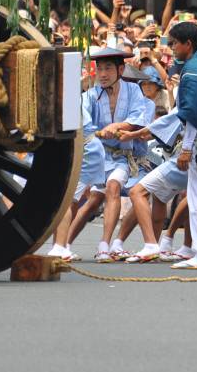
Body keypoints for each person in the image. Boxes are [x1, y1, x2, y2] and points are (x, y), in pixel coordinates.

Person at [121, 22, 197, 269]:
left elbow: (192, 113)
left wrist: (186, 148)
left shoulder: (192, 70)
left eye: (173, 43)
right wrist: (147, 131)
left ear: (187, 44)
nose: (171, 48)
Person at [67, 47, 153, 263]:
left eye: (108, 68)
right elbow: (82, 121)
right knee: (82, 197)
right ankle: (63, 244)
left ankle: (106, 245)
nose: (103, 74)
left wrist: (118, 125)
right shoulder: (89, 95)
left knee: (114, 187)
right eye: (99, 69)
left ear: (120, 69)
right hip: (96, 153)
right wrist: (96, 131)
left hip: (123, 156)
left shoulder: (134, 92)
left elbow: (138, 118)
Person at [47, 96, 109, 261]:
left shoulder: (65, 94)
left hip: (86, 150)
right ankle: (61, 246)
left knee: (65, 200)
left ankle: (60, 247)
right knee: (70, 200)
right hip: (81, 148)